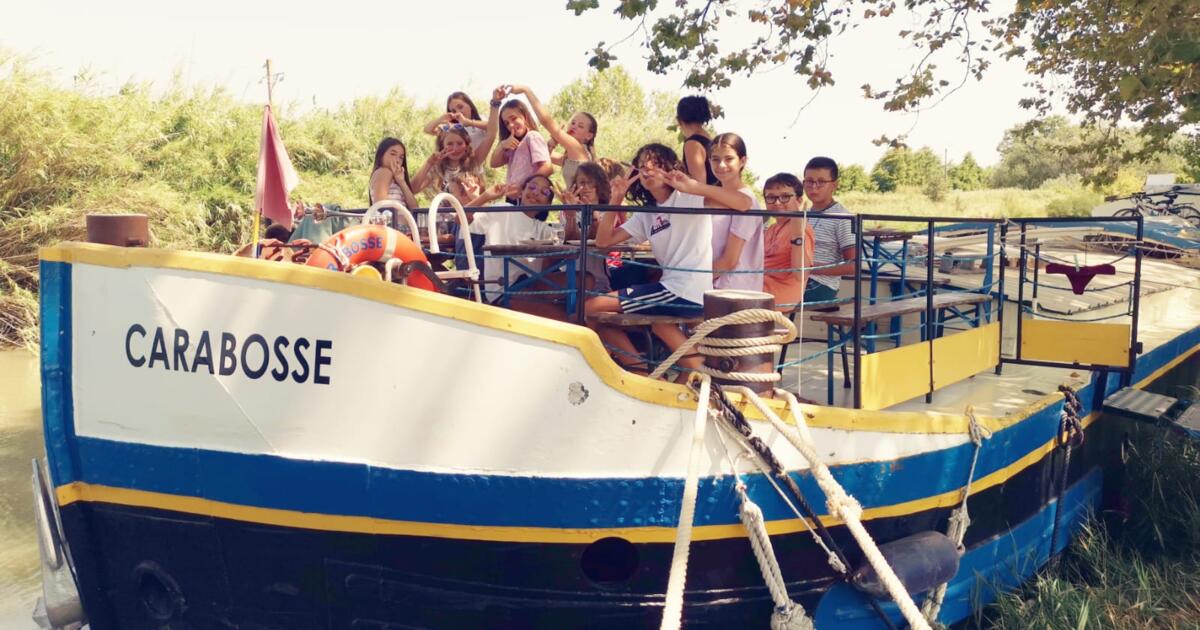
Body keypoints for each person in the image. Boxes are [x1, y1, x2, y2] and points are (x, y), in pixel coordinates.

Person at [586, 143, 750, 378]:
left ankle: (641, 374)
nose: (648, 170)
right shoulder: (647, 213)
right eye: (642, 166)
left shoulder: (689, 199)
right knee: (621, 320)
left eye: (656, 164)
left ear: (671, 169)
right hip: (672, 289)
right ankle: (652, 375)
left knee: (591, 307)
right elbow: (604, 242)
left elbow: (744, 203)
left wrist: (695, 187)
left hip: (683, 290)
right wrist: (616, 199)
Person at [468, 174, 557, 304]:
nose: (536, 193)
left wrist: (570, 216)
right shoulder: (502, 210)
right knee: (557, 313)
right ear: (521, 192)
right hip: (504, 289)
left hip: (533, 285)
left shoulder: (543, 229)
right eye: (532, 187)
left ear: (547, 204)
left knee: (585, 280)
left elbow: (563, 243)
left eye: (544, 192)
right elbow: (461, 219)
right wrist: (486, 196)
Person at [705, 132, 763, 291]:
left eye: (729, 159)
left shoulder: (747, 200)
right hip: (714, 285)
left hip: (733, 290)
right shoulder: (714, 198)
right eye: (715, 159)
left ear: (743, 161)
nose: (721, 165)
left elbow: (729, 261)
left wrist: (693, 279)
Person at [508, 85, 597, 187]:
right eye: (572, 123)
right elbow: (542, 154)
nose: (574, 126)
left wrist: (526, 91)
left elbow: (546, 121)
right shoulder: (568, 157)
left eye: (580, 126)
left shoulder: (578, 148)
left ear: (589, 136)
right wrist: (553, 142)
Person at [411, 98, 500, 195]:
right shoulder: (438, 168)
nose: (455, 148)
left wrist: (495, 102)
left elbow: (492, 133)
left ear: (466, 145)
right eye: (450, 144)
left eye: (459, 143)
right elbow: (412, 190)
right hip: (445, 210)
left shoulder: (474, 161)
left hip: (471, 208)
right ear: (442, 145)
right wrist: (428, 163)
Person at [801, 156, 856, 305]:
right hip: (799, 278)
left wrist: (810, 268)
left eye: (821, 182)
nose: (814, 187)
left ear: (834, 185)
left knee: (767, 295)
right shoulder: (804, 213)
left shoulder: (842, 217)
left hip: (820, 285)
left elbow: (853, 265)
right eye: (809, 181)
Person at [761, 173, 815, 312]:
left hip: (775, 297)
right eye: (771, 198)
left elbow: (800, 275)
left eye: (785, 197)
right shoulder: (772, 228)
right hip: (758, 288)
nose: (777, 203)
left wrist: (797, 233)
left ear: (799, 200)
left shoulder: (803, 229)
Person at [559, 162, 615, 294]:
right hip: (570, 279)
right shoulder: (567, 211)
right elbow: (571, 241)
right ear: (575, 185)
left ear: (600, 185)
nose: (586, 188)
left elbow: (596, 241)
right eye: (582, 182)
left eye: (591, 183)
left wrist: (594, 217)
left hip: (599, 282)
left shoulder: (608, 212)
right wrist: (571, 214)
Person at [489, 87, 553, 201]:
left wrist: (523, 188)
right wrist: (503, 145)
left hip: (528, 198)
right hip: (513, 198)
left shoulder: (532, 136)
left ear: (525, 117)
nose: (511, 125)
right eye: (507, 123)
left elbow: (547, 167)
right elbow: (493, 163)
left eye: (514, 119)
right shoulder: (513, 144)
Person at [422, 92, 490, 150]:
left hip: (475, 163)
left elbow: (493, 127)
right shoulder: (452, 127)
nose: (458, 112)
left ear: (470, 106)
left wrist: (468, 122)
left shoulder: (480, 121)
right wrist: (440, 120)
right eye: (453, 111)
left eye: (460, 107)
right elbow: (427, 130)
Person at [676, 95, 718, 186]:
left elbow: (698, 185)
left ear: (679, 120)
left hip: (707, 199)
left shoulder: (692, 144)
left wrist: (677, 173)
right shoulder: (710, 140)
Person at [368, 138, 419, 210]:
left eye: (401, 157)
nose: (397, 160)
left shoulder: (397, 178)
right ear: (381, 155)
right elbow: (381, 208)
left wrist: (401, 181)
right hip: (394, 221)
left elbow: (415, 209)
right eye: (393, 154)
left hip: (404, 220)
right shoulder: (384, 172)